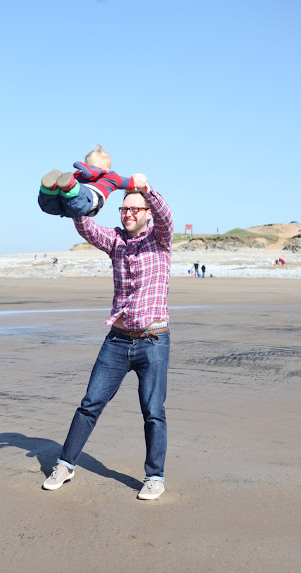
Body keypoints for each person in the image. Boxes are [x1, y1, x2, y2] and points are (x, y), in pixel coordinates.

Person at [42, 175, 173, 500]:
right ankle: (65, 464)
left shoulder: (160, 240)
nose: (127, 214)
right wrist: (73, 199)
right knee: (89, 405)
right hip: (116, 342)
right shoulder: (115, 240)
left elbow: (167, 216)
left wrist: (145, 189)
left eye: (133, 209)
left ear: (146, 212)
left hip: (153, 341)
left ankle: (154, 476)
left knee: (153, 410)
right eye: (123, 209)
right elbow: (87, 228)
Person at [38, 145, 137, 219]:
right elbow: (130, 183)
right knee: (79, 201)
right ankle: (71, 188)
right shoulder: (112, 176)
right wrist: (138, 181)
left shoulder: (78, 175)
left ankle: (50, 190)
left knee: (51, 207)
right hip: (89, 196)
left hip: (68, 200)